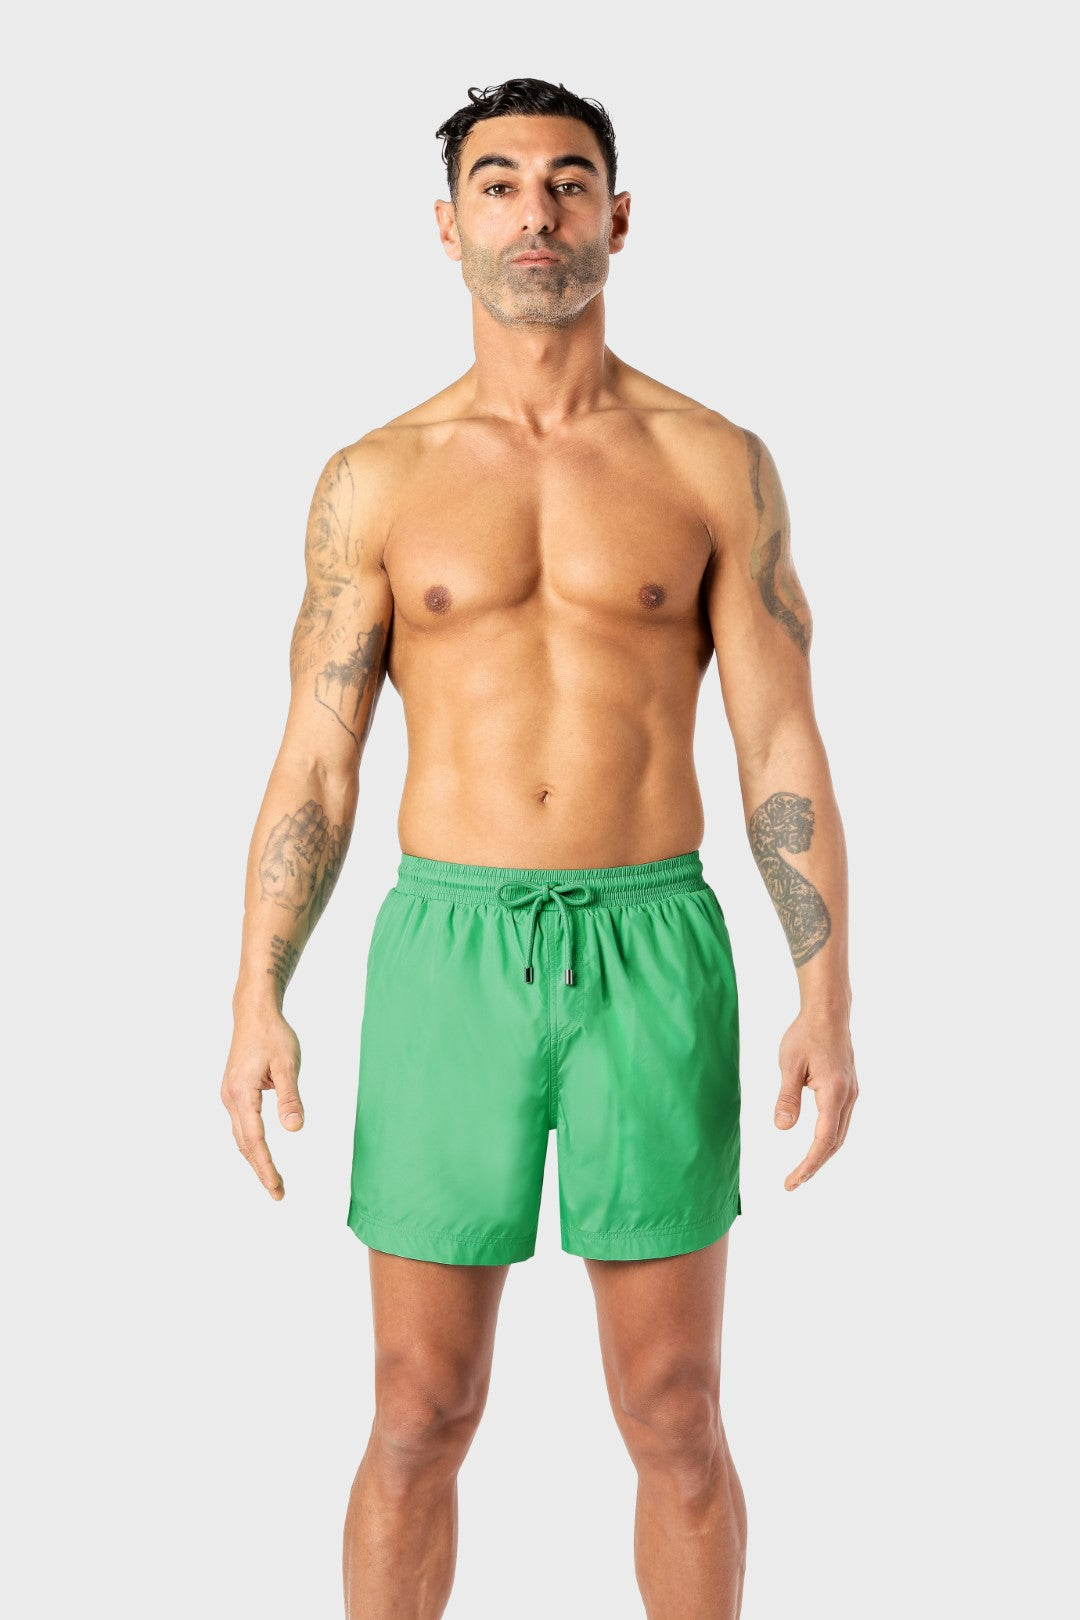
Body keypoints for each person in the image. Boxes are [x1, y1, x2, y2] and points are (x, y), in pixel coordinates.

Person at [221, 75, 859, 1620]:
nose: (537, 213)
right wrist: (257, 992)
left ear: (617, 220)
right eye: (499, 184)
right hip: (448, 953)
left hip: (654, 942)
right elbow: (319, 759)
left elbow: (779, 743)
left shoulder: (712, 464)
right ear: (447, 227)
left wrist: (824, 996)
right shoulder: (377, 479)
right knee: (417, 1414)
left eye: (569, 183)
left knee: (677, 1419)